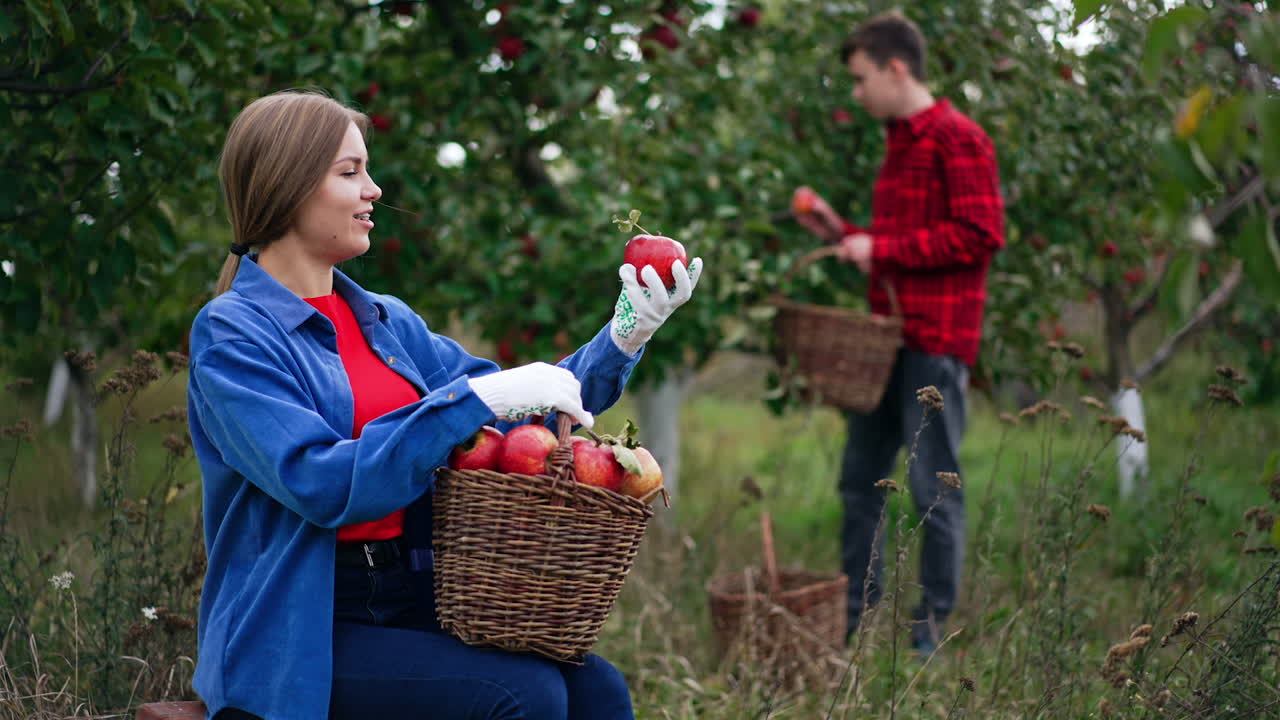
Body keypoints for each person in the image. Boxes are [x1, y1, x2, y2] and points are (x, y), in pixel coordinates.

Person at [186, 90, 703, 720]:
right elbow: (319, 481)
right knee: (522, 697)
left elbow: (529, 417)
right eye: (350, 173)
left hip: (419, 595)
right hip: (302, 626)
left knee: (597, 689)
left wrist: (624, 336)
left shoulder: (384, 320)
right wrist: (469, 402)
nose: (373, 190)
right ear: (287, 187)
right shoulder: (234, 333)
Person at [792, 11, 1005, 657]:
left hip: (935, 341)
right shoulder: (899, 144)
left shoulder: (956, 138)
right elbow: (899, 250)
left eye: (860, 79)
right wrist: (841, 233)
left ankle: (929, 633)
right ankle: (857, 617)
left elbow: (979, 235)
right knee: (861, 479)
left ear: (896, 68)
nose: (856, 94)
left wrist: (881, 245)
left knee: (932, 485)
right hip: (888, 342)